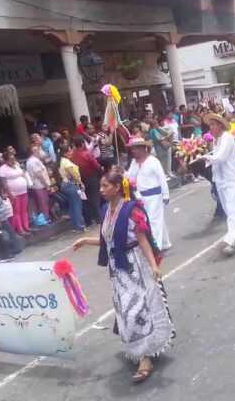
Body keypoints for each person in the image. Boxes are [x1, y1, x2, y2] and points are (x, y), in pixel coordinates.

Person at [72, 172, 174, 383]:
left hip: (134, 266)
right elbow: (107, 239)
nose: (101, 189)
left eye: (105, 185)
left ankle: (144, 358)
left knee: (136, 311)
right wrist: (84, 240)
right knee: (125, 311)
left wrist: (154, 265)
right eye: (100, 185)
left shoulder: (131, 210)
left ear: (118, 187)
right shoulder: (106, 211)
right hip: (118, 270)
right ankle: (141, 352)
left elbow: (142, 240)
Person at [201, 113, 235, 255]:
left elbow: (221, 157)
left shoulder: (227, 138)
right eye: (209, 125)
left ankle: (230, 240)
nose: (210, 128)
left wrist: (206, 157)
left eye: (213, 125)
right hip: (220, 179)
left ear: (220, 125)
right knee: (230, 208)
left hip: (230, 179)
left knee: (232, 209)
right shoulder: (216, 141)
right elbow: (215, 160)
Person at [126, 138, 172, 251]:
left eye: (135, 148)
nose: (133, 151)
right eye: (132, 149)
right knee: (154, 220)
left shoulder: (153, 161)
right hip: (140, 197)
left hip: (154, 197)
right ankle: (165, 242)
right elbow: (129, 177)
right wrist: (121, 172)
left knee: (152, 221)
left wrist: (166, 195)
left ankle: (156, 247)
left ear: (143, 148)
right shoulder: (134, 163)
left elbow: (162, 179)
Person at [70, 136, 103, 227]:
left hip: (79, 180)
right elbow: (96, 166)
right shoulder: (87, 154)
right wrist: (101, 171)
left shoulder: (72, 156)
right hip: (91, 177)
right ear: (82, 144)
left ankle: (88, 220)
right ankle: (98, 218)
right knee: (94, 198)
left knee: (85, 199)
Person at [0, 149, 31, 236]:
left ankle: (26, 226)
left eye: (13, 159)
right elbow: (4, 184)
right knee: (16, 212)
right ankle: (20, 229)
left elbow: (22, 174)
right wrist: (10, 194)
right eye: (10, 159)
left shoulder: (16, 165)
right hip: (14, 193)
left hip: (23, 190)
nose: (13, 161)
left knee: (24, 210)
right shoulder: (3, 169)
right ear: (6, 160)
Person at [58, 144, 86, 232]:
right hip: (71, 184)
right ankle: (80, 226)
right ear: (65, 153)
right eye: (69, 151)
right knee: (77, 205)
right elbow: (74, 175)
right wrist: (80, 183)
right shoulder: (66, 162)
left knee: (72, 205)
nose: (71, 152)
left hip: (66, 184)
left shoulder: (62, 161)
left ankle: (75, 225)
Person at [26, 145, 52, 222]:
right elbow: (39, 174)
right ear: (33, 152)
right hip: (40, 185)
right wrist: (46, 184)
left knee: (43, 203)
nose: (39, 152)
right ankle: (46, 219)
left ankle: (46, 218)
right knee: (43, 203)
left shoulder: (31, 160)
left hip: (39, 185)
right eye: (37, 150)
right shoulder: (34, 161)